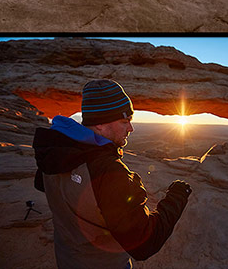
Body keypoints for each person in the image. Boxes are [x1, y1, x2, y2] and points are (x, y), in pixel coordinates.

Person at [33, 79, 191, 269]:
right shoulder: (108, 172)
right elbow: (145, 244)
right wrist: (177, 197)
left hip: (68, 260)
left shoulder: (54, 152)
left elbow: (42, 185)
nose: (130, 128)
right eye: (125, 121)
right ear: (100, 123)